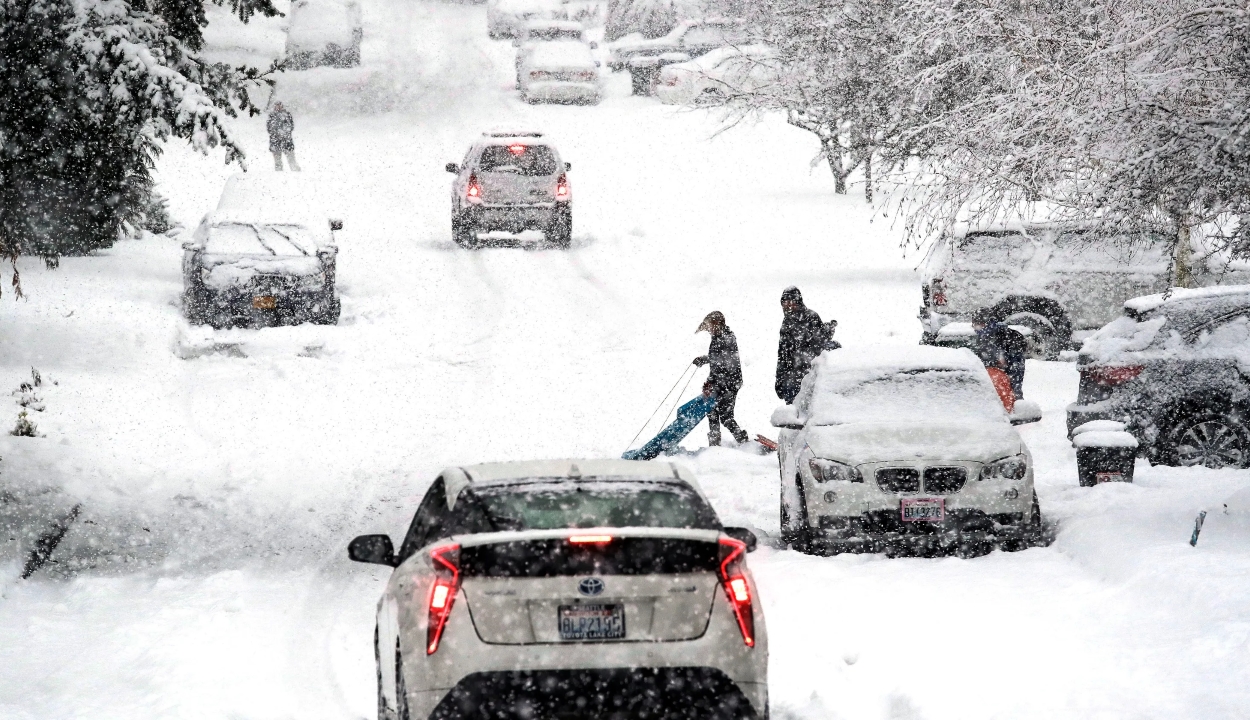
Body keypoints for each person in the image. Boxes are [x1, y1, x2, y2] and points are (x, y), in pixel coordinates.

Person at [693, 311, 749, 446]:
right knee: (711, 411)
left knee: (726, 416)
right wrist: (710, 381)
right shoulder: (717, 337)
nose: (709, 330)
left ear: (718, 324)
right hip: (719, 381)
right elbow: (717, 363)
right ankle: (715, 445)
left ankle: (744, 443)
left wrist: (706, 360)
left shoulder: (728, 338)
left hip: (730, 383)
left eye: (710, 327)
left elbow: (725, 361)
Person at [774, 286, 831, 403]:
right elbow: (783, 354)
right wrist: (780, 379)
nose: (788, 305)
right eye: (785, 302)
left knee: (806, 413)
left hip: (808, 376)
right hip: (791, 380)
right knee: (792, 414)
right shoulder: (786, 322)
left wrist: (804, 363)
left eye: (792, 301)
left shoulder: (811, 317)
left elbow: (819, 346)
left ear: (798, 302)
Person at [971, 309, 1029, 400]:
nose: (976, 328)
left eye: (978, 325)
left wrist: (1014, 392)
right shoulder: (982, 338)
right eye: (974, 325)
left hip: (1006, 378)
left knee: (1012, 396)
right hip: (992, 382)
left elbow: (1016, 368)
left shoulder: (1007, 336)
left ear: (987, 323)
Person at [267, 102, 300, 171]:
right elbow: (269, 128)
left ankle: (295, 170)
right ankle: (279, 172)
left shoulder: (287, 115)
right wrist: (277, 133)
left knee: (291, 159)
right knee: (277, 161)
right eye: (276, 105)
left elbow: (290, 126)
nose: (278, 107)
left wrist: (284, 133)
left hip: (287, 141)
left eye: (279, 105)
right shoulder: (272, 116)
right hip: (275, 141)